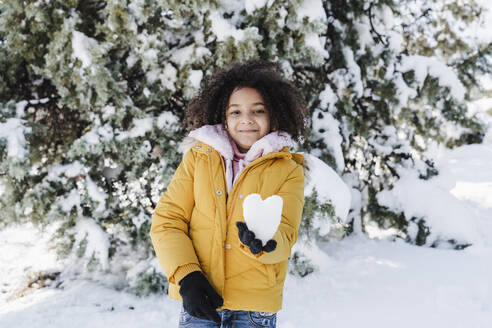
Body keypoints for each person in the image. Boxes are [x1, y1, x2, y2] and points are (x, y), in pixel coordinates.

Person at [150, 60, 307, 328]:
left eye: (258, 110)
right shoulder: (199, 159)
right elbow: (168, 221)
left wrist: (266, 243)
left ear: (275, 114)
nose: (246, 119)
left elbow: (286, 233)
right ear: (223, 116)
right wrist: (188, 277)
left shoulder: (288, 169)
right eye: (235, 112)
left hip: (254, 309)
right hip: (201, 298)